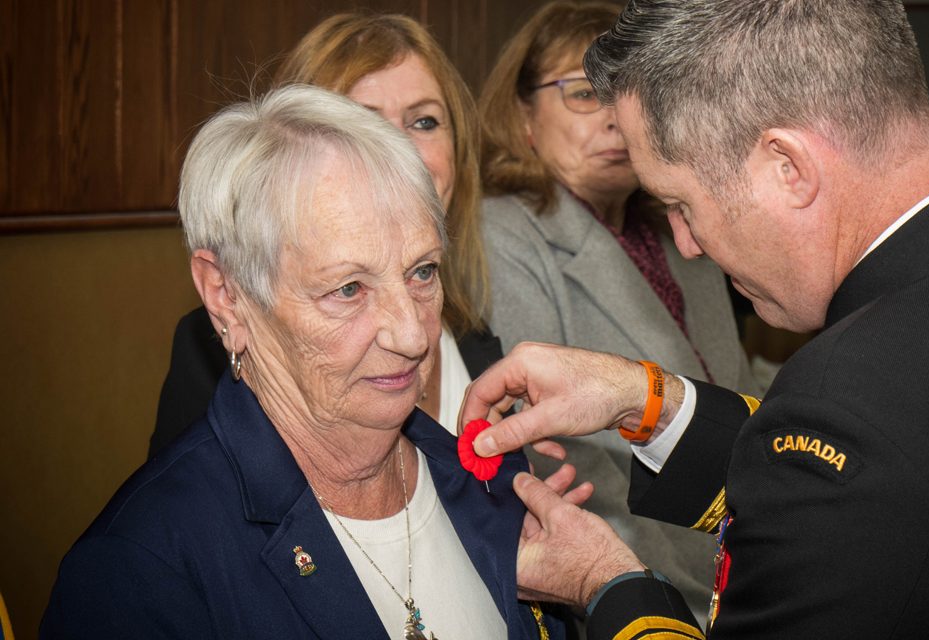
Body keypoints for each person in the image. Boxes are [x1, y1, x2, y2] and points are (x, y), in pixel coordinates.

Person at [459, 1, 929, 638]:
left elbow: (854, 474)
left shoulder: (852, 411)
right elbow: (907, 486)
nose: (687, 243)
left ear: (789, 167)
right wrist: (643, 398)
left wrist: (605, 582)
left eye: (681, 204)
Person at [42, 85, 570, 639]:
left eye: (422, 272)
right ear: (226, 294)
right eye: (347, 289)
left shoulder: (493, 480)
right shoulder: (139, 569)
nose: (414, 335)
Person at [476, 1, 759, 620]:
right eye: (582, 94)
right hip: (653, 580)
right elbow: (567, 458)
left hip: (743, 546)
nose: (613, 119)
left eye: (624, 94)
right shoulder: (502, 232)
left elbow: (729, 380)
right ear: (521, 114)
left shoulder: (673, 225)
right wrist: (678, 589)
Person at [151, 12, 493, 455]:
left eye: (424, 122)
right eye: (360, 125)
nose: (401, 152)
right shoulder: (216, 347)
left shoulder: (476, 328)